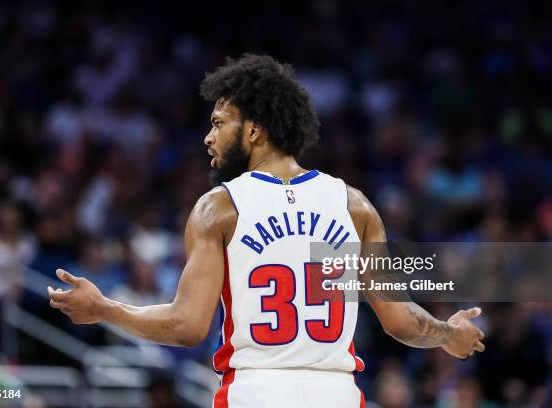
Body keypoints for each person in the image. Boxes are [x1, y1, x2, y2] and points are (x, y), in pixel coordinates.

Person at [47, 54, 485, 408]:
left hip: (253, 392)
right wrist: (448, 334)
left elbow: (186, 326)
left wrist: (105, 308)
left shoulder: (219, 208)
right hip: (337, 394)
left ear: (253, 129)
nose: (207, 137)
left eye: (219, 123)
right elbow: (398, 319)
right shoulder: (354, 206)